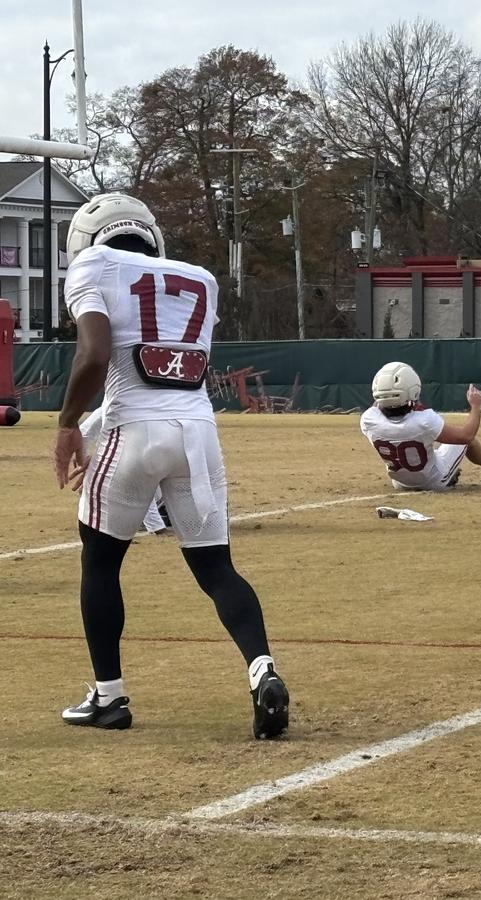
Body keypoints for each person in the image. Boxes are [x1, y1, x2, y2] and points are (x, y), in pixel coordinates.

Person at [53, 192, 288, 738]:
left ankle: (108, 696)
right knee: (216, 568)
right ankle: (263, 670)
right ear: (150, 234)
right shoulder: (200, 277)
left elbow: (95, 353)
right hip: (198, 435)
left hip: (133, 431)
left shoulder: (94, 264)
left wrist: (68, 424)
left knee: (100, 563)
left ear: (85, 238)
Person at [361, 362, 481, 492]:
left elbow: (382, 407)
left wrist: (387, 394)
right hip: (433, 481)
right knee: (463, 440)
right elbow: (466, 436)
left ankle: (451, 473)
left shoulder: (368, 419)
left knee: (428, 450)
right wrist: (476, 406)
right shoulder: (424, 420)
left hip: (400, 483)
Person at [79, 401, 169, 534]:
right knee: (140, 481)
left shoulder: (156, 412)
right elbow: (83, 434)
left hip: (148, 462)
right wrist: (85, 464)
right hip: (117, 466)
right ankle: (148, 523)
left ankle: (154, 515)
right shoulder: (110, 408)